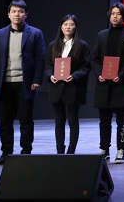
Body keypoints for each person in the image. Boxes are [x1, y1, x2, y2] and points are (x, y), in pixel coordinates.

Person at [0, 0, 46, 165]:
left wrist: (37, 80)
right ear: (8, 14)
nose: (17, 14)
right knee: (5, 120)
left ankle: (26, 152)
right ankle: (6, 153)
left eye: (20, 11)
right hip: (4, 83)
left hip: (25, 83)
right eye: (14, 11)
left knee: (26, 120)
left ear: (26, 14)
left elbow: (40, 59)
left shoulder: (35, 33)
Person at [91, 2, 124, 164]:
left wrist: (122, 75)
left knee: (122, 120)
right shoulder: (102, 35)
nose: (115, 16)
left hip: (121, 83)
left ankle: (121, 150)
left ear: (123, 16)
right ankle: (104, 149)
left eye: (118, 14)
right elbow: (94, 59)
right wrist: (99, 74)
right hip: (104, 84)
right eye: (112, 13)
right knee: (104, 120)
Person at [43, 14, 91, 154]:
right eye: (65, 24)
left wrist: (74, 76)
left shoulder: (82, 45)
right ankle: (60, 150)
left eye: (71, 24)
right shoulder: (53, 45)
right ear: (61, 27)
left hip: (73, 87)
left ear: (75, 27)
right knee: (59, 121)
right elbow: (47, 65)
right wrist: (50, 76)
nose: (68, 27)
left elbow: (86, 66)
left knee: (73, 120)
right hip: (56, 87)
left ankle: (71, 150)